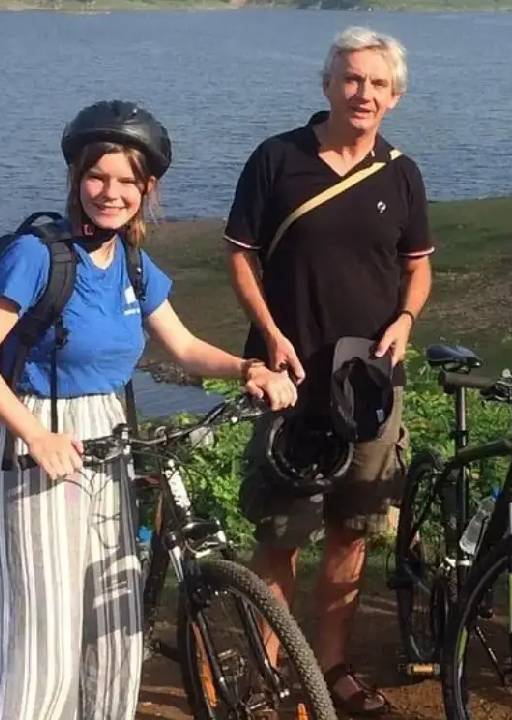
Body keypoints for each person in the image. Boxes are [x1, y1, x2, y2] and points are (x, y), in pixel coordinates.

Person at [0, 100, 297, 720]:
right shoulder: (38, 255)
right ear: (77, 178)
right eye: (97, 177)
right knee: (47, 628)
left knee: (113, 619)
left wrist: (248, 368)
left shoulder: (132, 264)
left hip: (111, 433)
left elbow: (183, 347)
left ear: (147, 189)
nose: (111, 193)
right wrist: (36, 435)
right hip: (39, 439)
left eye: (127, 181)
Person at [223, 26, 433, 715]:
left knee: (352, 528)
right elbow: (240, 256)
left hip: (368, 383)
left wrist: (405, 321)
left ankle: (335, 667)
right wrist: (269, 332)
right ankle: (265, 673)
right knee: (281, 532)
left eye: (378, 84)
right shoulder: (277, 159)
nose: (363, 93)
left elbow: (418, 266)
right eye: (352, 79)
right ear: (328, 85)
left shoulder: (401, 173)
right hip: (288, 378)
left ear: (394, 96)